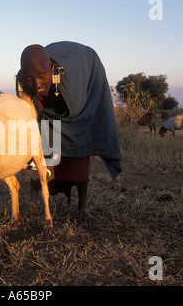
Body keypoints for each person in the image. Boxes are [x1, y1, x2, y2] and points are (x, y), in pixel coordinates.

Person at [16, 41, 122, 226]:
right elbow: (26, 113)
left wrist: (57, 125)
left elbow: (75, 108)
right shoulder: (22, 81)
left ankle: (83, 206)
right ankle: (33, 198)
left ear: (52, 70)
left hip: (77, 110)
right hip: (45, 118)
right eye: (30, 78)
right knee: (37, 152)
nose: (37, 84)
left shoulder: (71, 83)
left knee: (79, 147)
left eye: (42, 76)